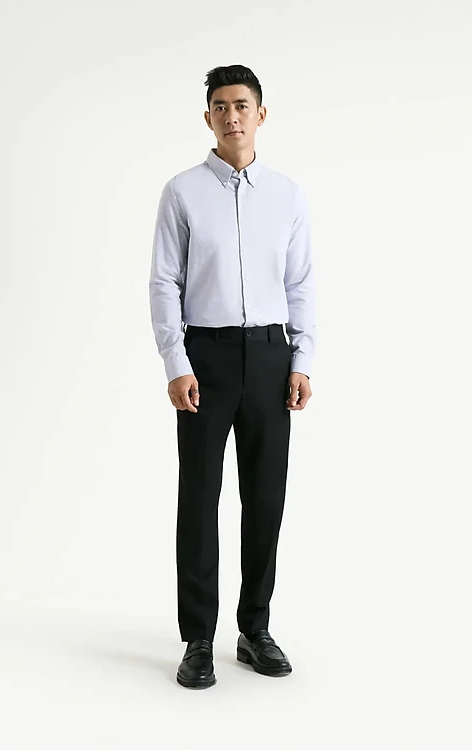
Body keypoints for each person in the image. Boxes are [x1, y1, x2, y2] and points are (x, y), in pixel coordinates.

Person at [148, 64, 316, 689]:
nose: (231, 115)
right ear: (208, 117)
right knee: (199, 498)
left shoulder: (287, 195)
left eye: (241, 105)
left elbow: (300, 283)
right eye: (220, 106)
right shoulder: (183, 192)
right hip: (207, 358)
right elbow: (164, 281)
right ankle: (198, 639)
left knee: (265, 498)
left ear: (260, 114)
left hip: (270, 356)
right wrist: (176, 362)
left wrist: (301, 360)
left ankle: (254, 629)